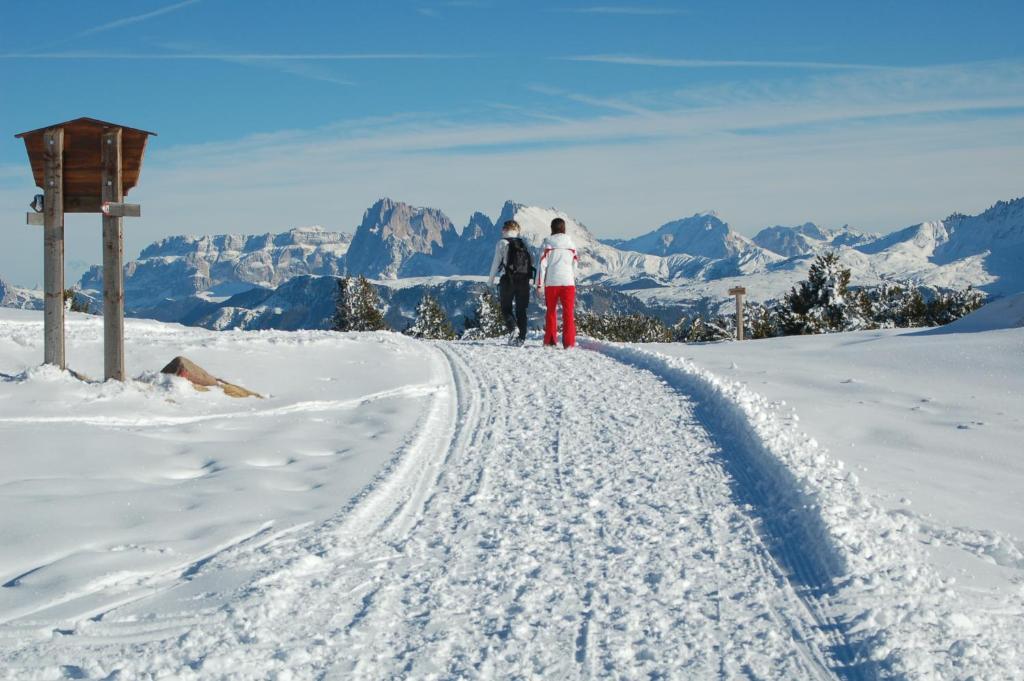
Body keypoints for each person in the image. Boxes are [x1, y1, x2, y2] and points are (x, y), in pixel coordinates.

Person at [487, 219, 534, 345]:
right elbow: (531, 261)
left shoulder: (502, 243)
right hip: (524, 281)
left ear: (505, 230)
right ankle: (521, 339)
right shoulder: (524, 244)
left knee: (506, 308)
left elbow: (495, 263)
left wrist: (490, 281)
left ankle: (513, 328)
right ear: (517, 230)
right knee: (521, 310)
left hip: (508, 279)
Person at [536, 217, 578, 348]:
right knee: (568, 313)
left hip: (552, 283)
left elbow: (541, 265)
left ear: (552, 229)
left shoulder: (547, 244)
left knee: (551, 312)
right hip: (568, 282)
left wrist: (539, 285)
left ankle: (550, 341)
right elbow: (575, 264)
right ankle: (569, 343)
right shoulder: (571, 245)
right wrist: (571, 276)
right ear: (564, 228)